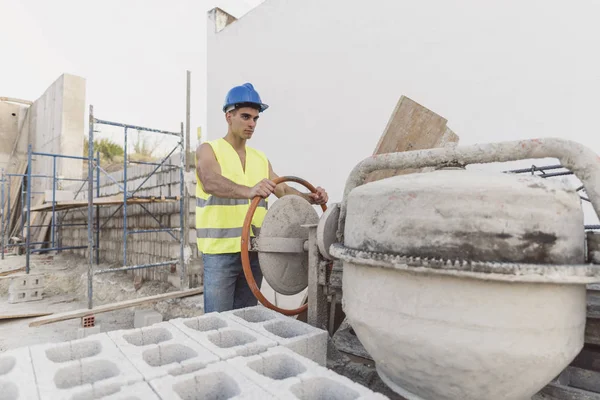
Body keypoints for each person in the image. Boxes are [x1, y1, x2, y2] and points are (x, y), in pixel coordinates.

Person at [195, 83, 328, 313]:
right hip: (220, 253)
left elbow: (284, 192)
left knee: (246, 319)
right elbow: (209, 180)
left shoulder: (260, 159)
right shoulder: (209, 149)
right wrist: (248, 190)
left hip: (254, 251)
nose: (251, 124)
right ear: (229, 116)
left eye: (255, 119)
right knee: (216, 323)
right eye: (246, 117)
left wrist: (312, 197)